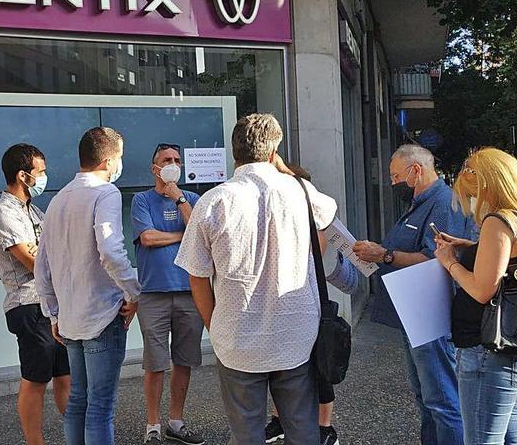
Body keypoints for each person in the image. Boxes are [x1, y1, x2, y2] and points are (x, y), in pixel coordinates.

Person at [175, 113, 338, 445]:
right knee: (302, 429)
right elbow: (323, 230)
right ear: (273, 150)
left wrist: (213, 325)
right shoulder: (301, 191)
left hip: (236, 336)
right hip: (296, 332)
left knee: (246, 432)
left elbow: (197, 276)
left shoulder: (212, 201)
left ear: (234, 151)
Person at [434, 147, 517, 444]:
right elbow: (512, 262)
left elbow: (482, 290)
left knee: (483, 439)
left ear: (486, 187)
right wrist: (472, 247)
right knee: (511, 433)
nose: (471, 203)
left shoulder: (497, 221)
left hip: (489, 346)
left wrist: (450, 262)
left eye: (470, 194)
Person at [352, 144, 473, 445]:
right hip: (416, 311)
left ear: (415, 170)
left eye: (395, 176)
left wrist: (385, 255)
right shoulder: (421, 202)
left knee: (442, 399)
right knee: (427, 396)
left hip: (430, 313)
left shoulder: (443, 203)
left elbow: (437, 258)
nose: (392, 183)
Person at [35, 128, 142, 445]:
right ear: (109, 160)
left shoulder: (57, 199)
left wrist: (52, 312)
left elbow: (43, 264)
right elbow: (110, 250)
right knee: (100, 406)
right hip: (102, 314)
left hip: (70, 318)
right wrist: (133, 293)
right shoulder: (105, 193)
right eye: (119, 158)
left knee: (78, 401)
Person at [263, 163, 359, 445]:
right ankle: (279, 420)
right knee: (279, 366)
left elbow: (310, 251)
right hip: (281, 302)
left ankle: (325, 428)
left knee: (321, 365)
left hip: (310, 302)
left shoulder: (315, 218)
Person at [0, 144, 70, 445]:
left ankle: (76, 436)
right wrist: (46, 254)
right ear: (23, 176)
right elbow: (34, 261)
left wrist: (48, 254)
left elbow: (56, 251)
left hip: (52, 304)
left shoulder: (34, 210)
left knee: (65, 375)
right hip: (28, 306)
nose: (45, 177)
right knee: (36, 380)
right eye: (41, 172)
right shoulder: (3, 214)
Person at [131, 143, 205, 445]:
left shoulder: (192, 199)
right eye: (166, 160)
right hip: (153, 294)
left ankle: (176, 420)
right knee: (155, 363)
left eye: (176, 160)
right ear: (155, 168)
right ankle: (153, 424)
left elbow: (200, 233)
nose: (172, 164)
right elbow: (147, 238)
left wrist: (179, 200)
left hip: (190, 292)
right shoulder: (141, 200)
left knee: (184, 360)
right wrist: (181, 236)